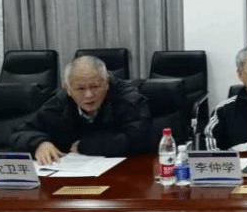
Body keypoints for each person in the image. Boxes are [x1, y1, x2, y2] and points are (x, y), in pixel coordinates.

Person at [11, 56, 153, 164]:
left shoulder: (128, 99)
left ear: (106, 83)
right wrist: (38, 143)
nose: (89, 95)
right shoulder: (59, 102)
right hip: (72, 176)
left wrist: (86, 145)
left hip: (124, 175)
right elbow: (20, 133)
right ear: (68, 89)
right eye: (80, 89)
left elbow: (142, 140)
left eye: (95, 87)